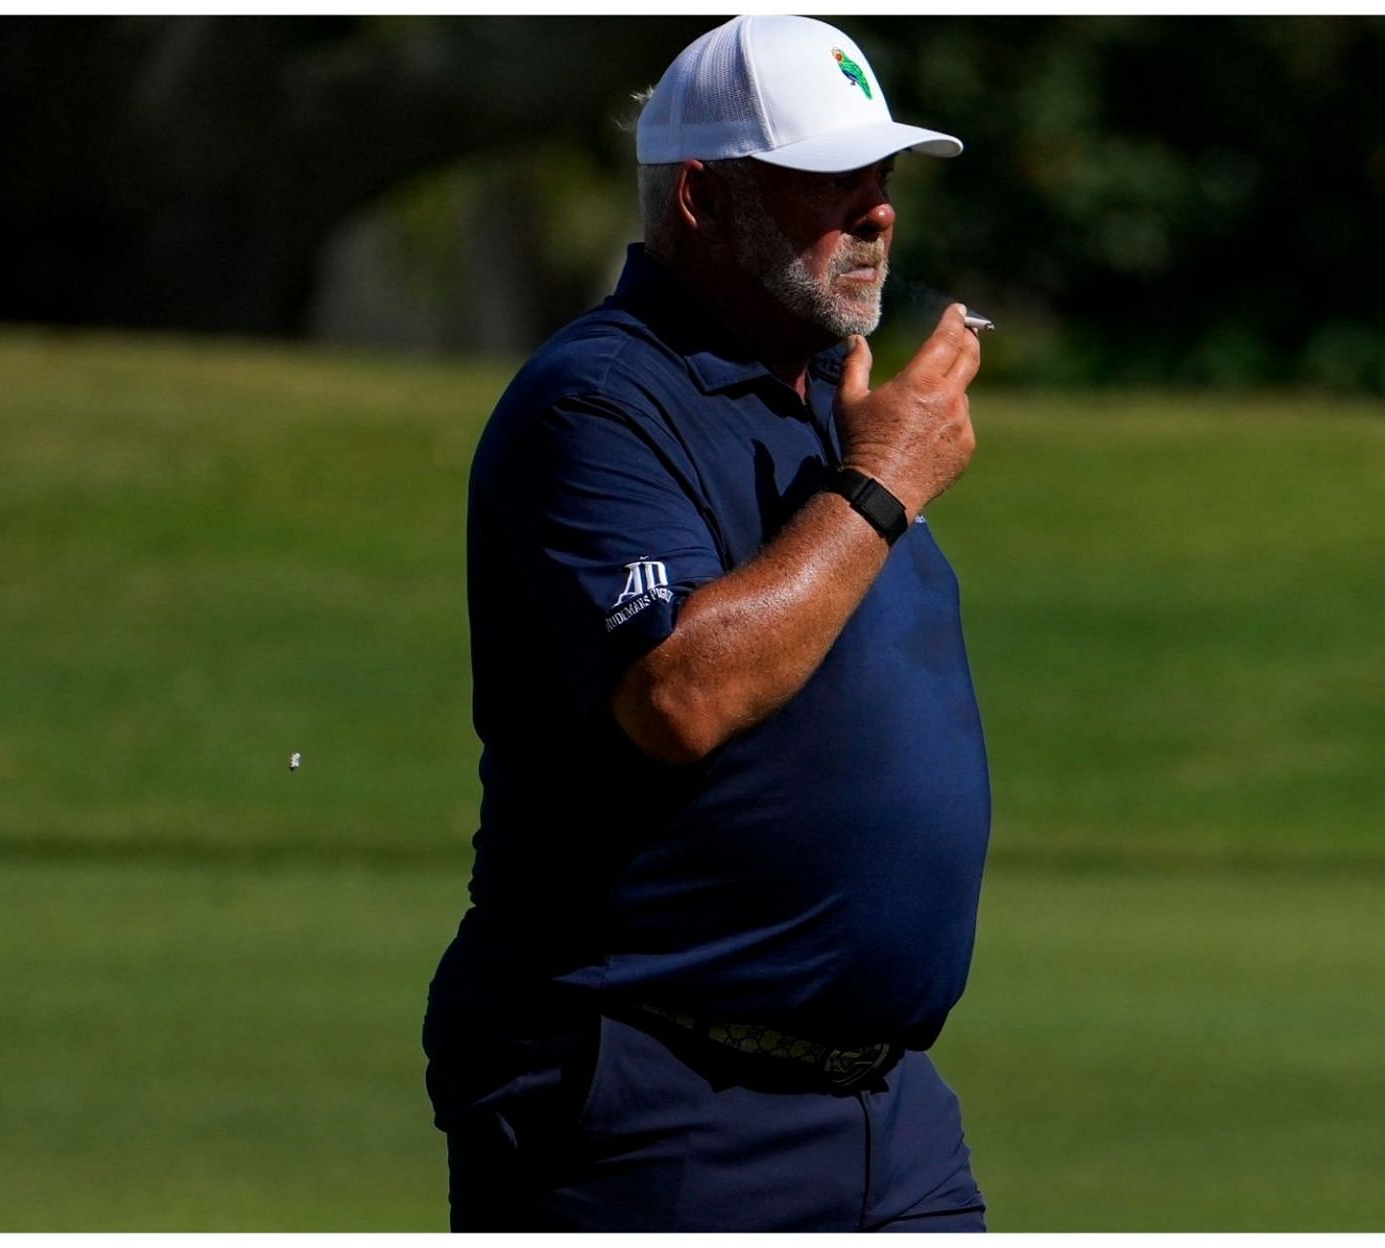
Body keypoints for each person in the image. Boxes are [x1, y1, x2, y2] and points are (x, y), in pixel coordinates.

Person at [421, 14, 990, 1232]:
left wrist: (865, 470)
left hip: (889, 1120)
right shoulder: (600, 400)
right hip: (659, 1107)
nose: (879, 211)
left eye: (881, 178)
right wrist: (879, 489)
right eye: (830, 182)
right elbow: (680, 693)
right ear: (699, 198)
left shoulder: (828, 405)